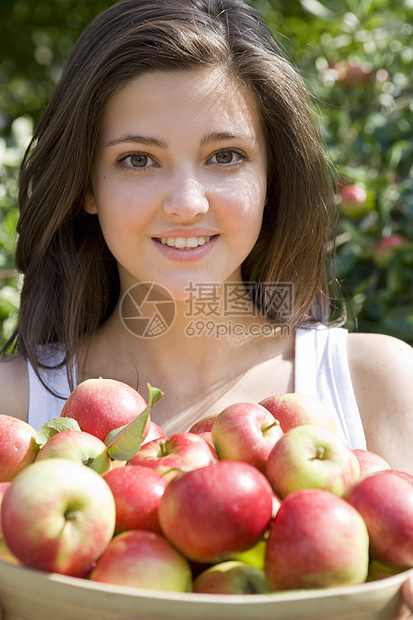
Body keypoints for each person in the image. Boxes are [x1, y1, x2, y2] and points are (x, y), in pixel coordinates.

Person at [0, 0, 413, 612]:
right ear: (87, 185)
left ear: (272, 178)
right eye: (137, 159)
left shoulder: (377, 384)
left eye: (226, 156)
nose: (187, 202)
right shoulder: (13, 413)